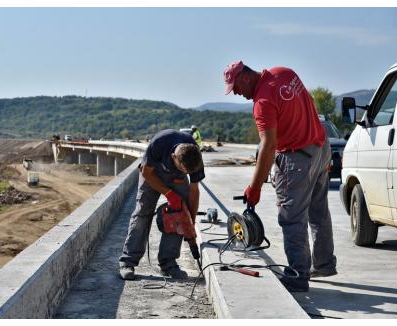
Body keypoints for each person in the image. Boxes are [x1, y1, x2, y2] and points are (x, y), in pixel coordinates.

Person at [223, 60, 337, 292]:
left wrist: (255, 187)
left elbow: (268, 144)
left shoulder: (262, 102)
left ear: (245, 77)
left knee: (292, 218)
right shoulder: (285, 73)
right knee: (318, 211)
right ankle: (324, 264)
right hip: (320, 147)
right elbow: (310, 103)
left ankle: (298, 275)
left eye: (236, 88)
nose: (238, 94)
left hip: (296, 159)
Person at [118, 129, 205, 280]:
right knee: (142, 213)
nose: (184, 172)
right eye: (181, 169)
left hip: (177, 180)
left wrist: (189, 221)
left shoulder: (195, 156)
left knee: (179, 215)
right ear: (173, 157)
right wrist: (169, 193)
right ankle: (128, 262)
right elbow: (146, 172)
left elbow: (194, 190)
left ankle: (168, 263)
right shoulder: (160, 143)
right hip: (152, 174)